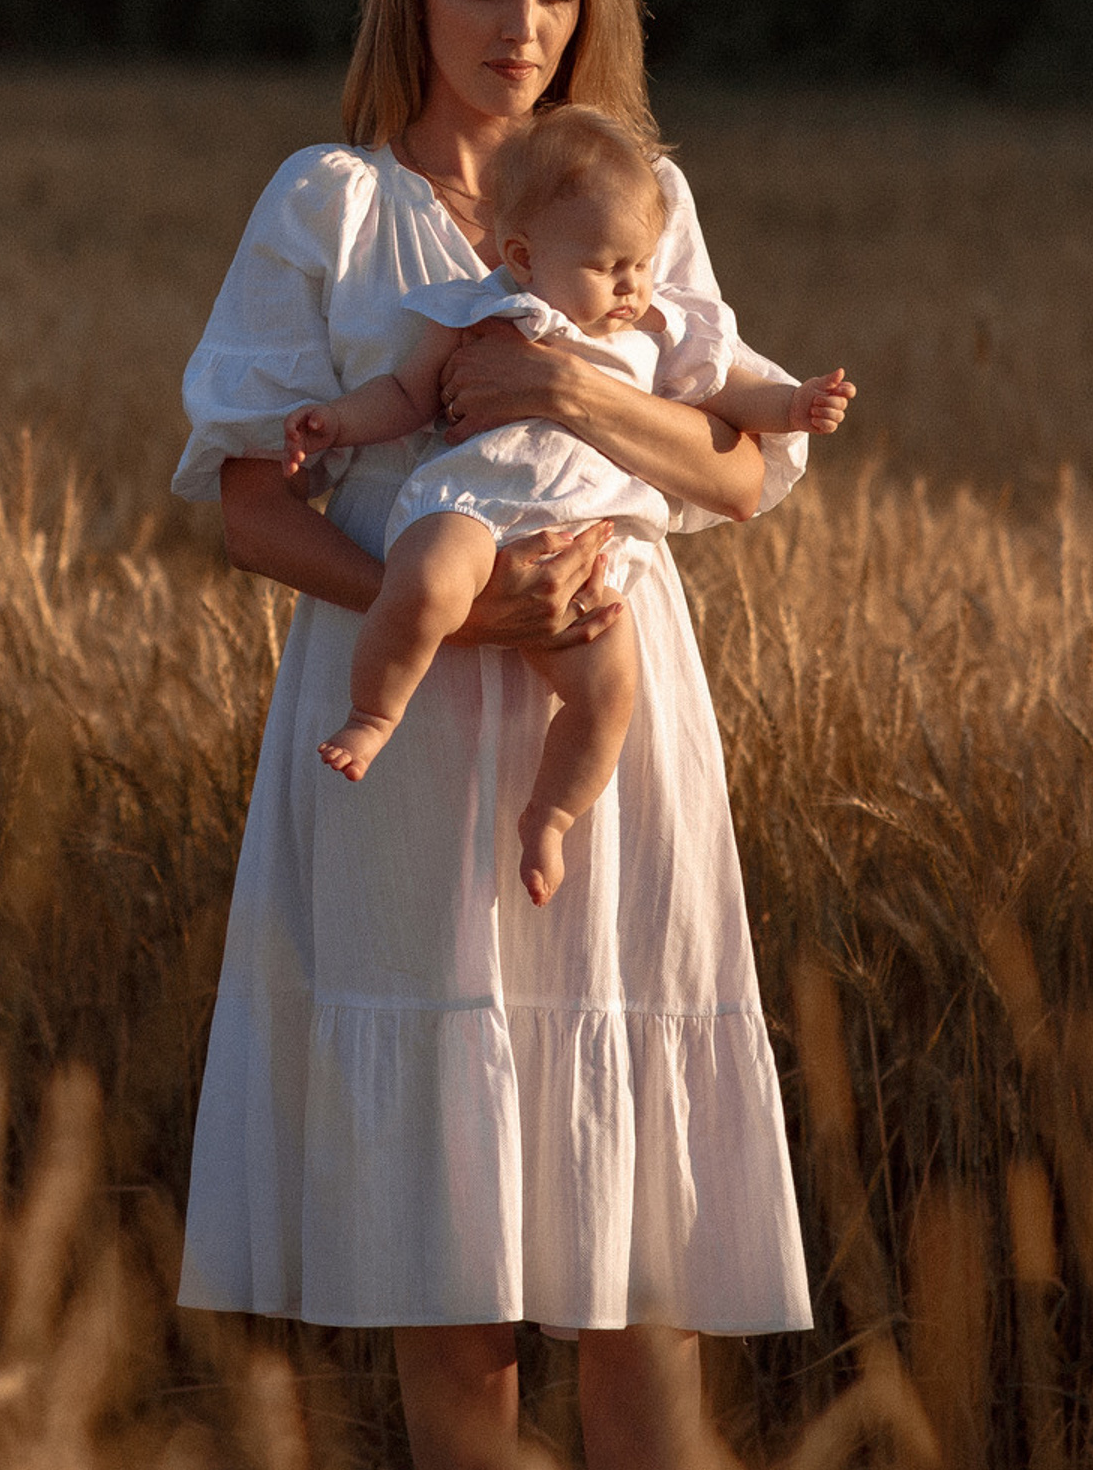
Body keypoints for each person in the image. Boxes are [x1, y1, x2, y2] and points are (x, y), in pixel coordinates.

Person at [171, 0, 817, 1470]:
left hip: (612, 740)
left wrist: (572, 391)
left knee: (635, 1233)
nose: (521, 26)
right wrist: (453, 606)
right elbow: (239, 503)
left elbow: (746, 472)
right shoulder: (332, 207)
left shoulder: (633, 194)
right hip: (403, 730)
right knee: (445, 1227)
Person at [285, 104, 853, 907]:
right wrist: (337, 422)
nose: (630, 286)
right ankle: (374, 714)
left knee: (609, 685)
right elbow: (406, 396)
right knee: (427, 580)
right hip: (474, 503)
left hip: (587, 545)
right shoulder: (480, 310)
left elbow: (729, 394)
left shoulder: (658, 332)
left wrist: (794, 403)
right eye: (606, 265)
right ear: (523, 256)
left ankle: (550, 814)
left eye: (641, 264)